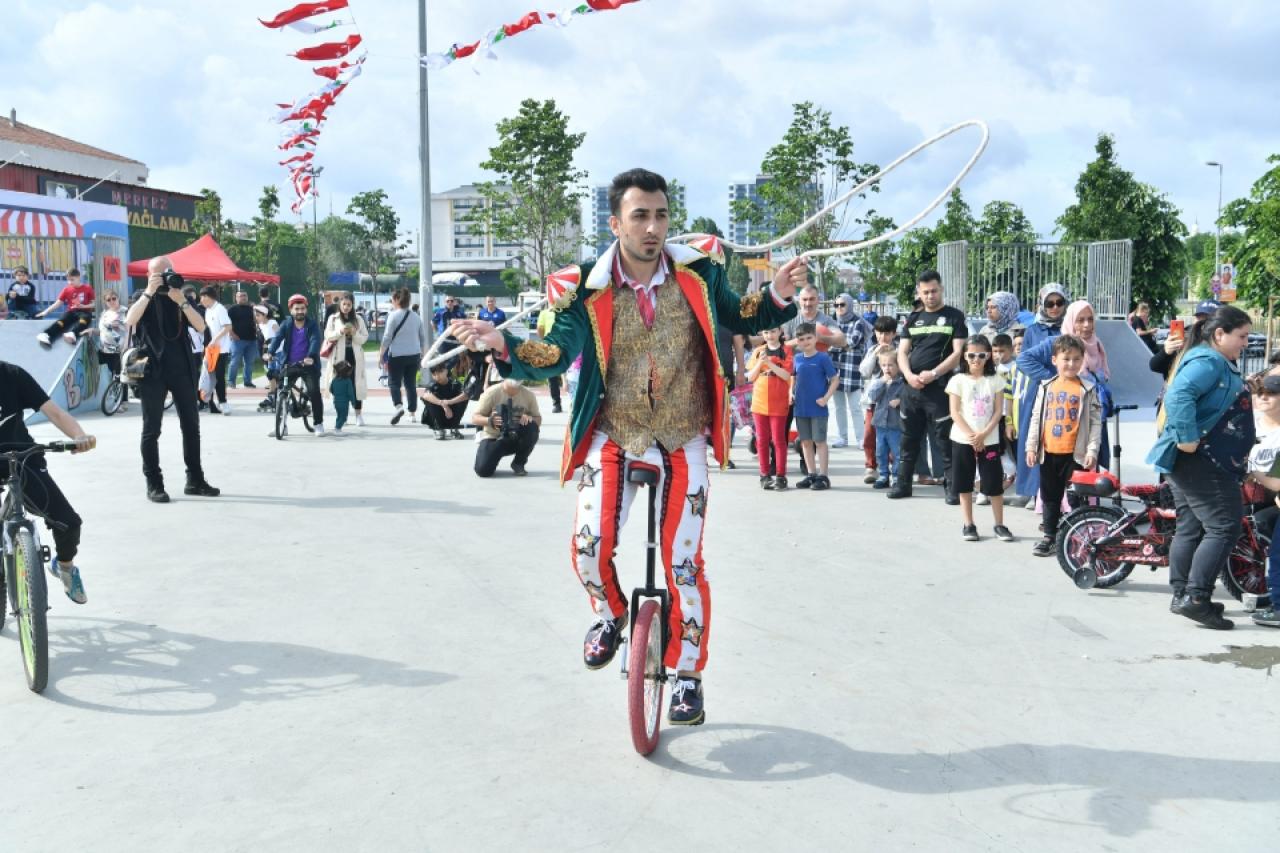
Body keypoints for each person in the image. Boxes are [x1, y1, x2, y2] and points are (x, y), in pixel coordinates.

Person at [448, 168, 800, 726]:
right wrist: (506, 346)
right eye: (640, 216)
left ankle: (688, 676)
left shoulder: (698, 271)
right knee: (588, 547)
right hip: (615, 433)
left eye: (661, 215)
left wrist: (777, 294)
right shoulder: (584, 288)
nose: (653, 227)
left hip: (684, 434)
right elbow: (555, 352)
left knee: (684, 563)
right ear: (615, 223)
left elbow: (740, 313)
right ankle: (611, 615)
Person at [1147, 305, 1254, 630]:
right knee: (1225, 526)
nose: (1246, 343)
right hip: (1201, 460)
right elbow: (1179, 396)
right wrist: (1187, 438)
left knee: (1191, 526)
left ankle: (1183, 595)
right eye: (1242, 336)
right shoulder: (1209, 361)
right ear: (1220, 334)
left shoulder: (1212, 359)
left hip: (1195, 461)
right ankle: (1196, 599)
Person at [0, 360, 96, 603]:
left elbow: (55, 412)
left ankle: (65, 567)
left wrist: (79, 436)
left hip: (21, 457)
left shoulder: (12, 374)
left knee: (68, 522)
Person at [125, 257, 219, 503]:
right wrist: (149, 292)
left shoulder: (179, 296)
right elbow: (130, 321)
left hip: (181, 368)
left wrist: (182, 302)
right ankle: (154, 483)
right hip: (150, 369)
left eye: (168, 272)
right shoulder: (141, 295)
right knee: (151, 429)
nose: (165, 278)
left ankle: (195, 479)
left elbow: (201, 327)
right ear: (149, 275)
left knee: (191, 425)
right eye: (158, 274)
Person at [888, 270, 967, 502]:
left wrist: (934, 374)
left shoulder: (954, 316)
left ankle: (952, 488)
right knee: (908, 439)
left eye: (934, 291)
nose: (930, 296)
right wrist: (908, 375)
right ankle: (903, 484)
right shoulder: (913, 318)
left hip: (940, 389)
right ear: (919, 293)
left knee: (944, 440)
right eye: (925, 292)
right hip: (912, 389)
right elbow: (902, 352)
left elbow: (957, 353)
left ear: (941, 289)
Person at [1025, 335, 1102, 557]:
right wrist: (1031, 446)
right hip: (1049, 452)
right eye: (1066, 359)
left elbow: (1095, 422)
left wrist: (1092, 450)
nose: (1071, 364)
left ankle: (1081, 538)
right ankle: (1049, 536)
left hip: (1076, 455)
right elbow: (1036, 417)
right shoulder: (1046, 386)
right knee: (1050, 497)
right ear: (1054, 360)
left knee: (1076, 498)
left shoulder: (1088, 388)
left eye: (1077, 359)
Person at [946, 336, 1014, 542]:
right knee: (964, 482)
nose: (976, 359)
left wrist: (983, 434)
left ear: (989, 356)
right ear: (964, 356)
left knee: (994, 483)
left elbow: (998, 411)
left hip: (989, 439)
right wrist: (972, 436)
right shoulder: (957, 380)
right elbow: (954, 412)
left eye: (982, 355)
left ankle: (999, 524)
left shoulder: (996, 380)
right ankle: (968, 524)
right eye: (971, 355)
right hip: (962, 439)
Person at [1012, 283, 1069, 504]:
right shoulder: (1033, 330)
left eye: (1059, 302)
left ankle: (1064, 492)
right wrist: (1049, 377)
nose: (1054, 308)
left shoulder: (1070, 326)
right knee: (1035, 438)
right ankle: (1034, 490)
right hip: (1039, 390)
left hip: (1067, 391)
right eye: (1049, 303)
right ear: (1042, 304)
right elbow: (1024, 361)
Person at [1246, 371, 1280, 628]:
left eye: (1272, 393)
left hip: (1272, 493)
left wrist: (1251, 471)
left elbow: (1277, 482)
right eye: (1261, 393)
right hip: (1254, 497)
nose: (1265, 397)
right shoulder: (1249, 423)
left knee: (1277, 555)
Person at [266, 294, 327, 436]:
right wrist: (270, 352)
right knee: (281, 391)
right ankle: (281, 426)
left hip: (308, 365)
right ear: (291, 310)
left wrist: (310, 356)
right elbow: (277, 338)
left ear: (306, 309)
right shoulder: (286, 324)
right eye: (297, 309)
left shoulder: (312, 324)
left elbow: (315, 340)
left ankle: (318, 424)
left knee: (314, 393)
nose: (300, 311)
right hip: (290, 364)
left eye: (302, 308)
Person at [745, 326, 793, 490]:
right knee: (761, 440)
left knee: (779, 440)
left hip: (778, 401)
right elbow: (750, 377)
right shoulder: (758, 351)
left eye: (773, 331)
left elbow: (786, 375)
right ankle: (764, 475)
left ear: (780, 332)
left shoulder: (786, 350)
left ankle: (781, 475)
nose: (769, 335)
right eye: (766, 332)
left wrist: (769, 364)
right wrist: (760, 363)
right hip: (759, 401)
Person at [792, 322, 838, 490]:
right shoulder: (797, 358)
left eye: (809, 338)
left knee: (820, 442)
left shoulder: (823, 358)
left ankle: (823, 476)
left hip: (818, 408)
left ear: (816, 338)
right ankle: (811, 474)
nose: (806, 342)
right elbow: (793, 377)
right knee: (805, 442)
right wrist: (791, 393)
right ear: (797, 341)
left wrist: (826, 398)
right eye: (802, 339)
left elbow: (835, 380)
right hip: (801, 407)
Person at [828, 292, 872, 450]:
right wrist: (837, 344)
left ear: (850, 305)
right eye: (836, 305)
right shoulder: (832, 322)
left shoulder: (858, 322)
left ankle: (861, 438)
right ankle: (842, 437)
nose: (839, 307)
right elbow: (827, 343)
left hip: (852, 370)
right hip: (835, 370)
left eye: (842, 304)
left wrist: (834, 344)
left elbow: (851, 342)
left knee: (855, 408)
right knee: (839, 407)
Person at [471, 378, 541, 477]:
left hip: (515, 438)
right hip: (494, 438)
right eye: (512, 373)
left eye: (519, 374)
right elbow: (475, 418)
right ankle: (492, 455)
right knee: (482, 470)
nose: (516, 377)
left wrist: (529, 418)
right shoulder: (492, 392)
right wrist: (490, 420)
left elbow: (538, 419)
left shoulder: (529, 395)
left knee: (532, 427)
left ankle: (519, 462)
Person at [858, 315, 899, 484]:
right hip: (874, 400)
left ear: (894, 334)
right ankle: (871, 466)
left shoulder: (899, 350)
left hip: (894, 400)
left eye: (887, 333)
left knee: (894, 437)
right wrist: (874, 355)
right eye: (880, 333)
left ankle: (894, 470)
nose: (883, 337)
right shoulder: (872, 349)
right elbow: (864, 371)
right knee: (870, 433)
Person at [380, 287, 428, 426]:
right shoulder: (416, 317)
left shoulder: (393, 316)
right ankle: (412, 413)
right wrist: (423, 354)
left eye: (392, 300)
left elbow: (387, 337)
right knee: (410, 384)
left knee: (394, 383)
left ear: (396, 300)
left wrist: (381, 354)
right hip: (414, 355)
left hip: (397, 355)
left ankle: (398, 406)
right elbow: (422, 338)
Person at [321, 293, 369, 429]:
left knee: (356, 385)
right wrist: (340, 332)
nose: (346, 307)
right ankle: (343, 415)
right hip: (339, 357)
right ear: (340, 305)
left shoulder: (358, 319)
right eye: (344, 304)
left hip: (354, 356)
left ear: (352, 305)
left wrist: (354, 333)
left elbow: (364, 338)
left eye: (349, 304)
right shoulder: (333, 318)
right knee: (340, 387)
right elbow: (327, 336)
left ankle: (358, 414)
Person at [864, 351, 904, 490]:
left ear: (898, 366)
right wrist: (881, 382)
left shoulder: (902, 383)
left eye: (891, 365)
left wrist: (900, 401)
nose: (887, 368)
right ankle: (883, 475)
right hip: (880, 424)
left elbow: (910, 398)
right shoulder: (879, 382)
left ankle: (897, 476)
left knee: (897, 452)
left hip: (895, 424)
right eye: (884, 365)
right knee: (881, 452)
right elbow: (872, 396)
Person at [35, 268, 94, 347]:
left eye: (72, 280)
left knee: (85, 319)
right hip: (72, 312)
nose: (70, 282)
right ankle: (46, 334)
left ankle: (73, 333)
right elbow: (58, 303)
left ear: (78, 277)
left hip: (85, 311)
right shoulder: (67, 289)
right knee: (61, 321)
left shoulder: (87, 288)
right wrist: (46, 312)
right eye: (68, 280)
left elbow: (94, 304)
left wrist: (84, 306)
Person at [198, 286, 232, 414]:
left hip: (221, 350)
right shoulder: (208, 310)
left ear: (208, 297)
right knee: (209, 375)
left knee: (218, 376)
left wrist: (214, 340)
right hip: (211, 349)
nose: (201, 300)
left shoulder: (220, 309)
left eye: (203, 297)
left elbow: (228, 327)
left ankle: (223, 402)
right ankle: (210, 402)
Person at [97, 289, 130, 411]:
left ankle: (123, 402)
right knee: (112, 374)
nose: (111, 301)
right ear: (105, 302)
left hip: (120, 348)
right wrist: (92, 331)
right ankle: (116, 398)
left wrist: (126, 344)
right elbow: (103, 330)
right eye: (108, 300)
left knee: (120, 375)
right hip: (106, 349)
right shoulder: (105, 314)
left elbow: (131, 329)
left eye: (114, 298)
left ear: (118, 298)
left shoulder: (125, 311)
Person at [420, 363, 468, 439]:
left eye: (440, 372)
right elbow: (425, 395)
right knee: (430, 399)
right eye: (434, 374)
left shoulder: (454, 383)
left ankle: (454, 427)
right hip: (436, 417)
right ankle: (439, 429)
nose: (437, 376)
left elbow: (466, 395)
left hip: (452, 416)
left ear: (446, 371)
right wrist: (442, 403)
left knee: (462, 399)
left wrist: (450, 402)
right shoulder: (432, 385)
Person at [226, 289, 259, 389]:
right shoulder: (232, 309)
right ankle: (231, 381)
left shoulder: (252, 309)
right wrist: (231, 334)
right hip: (237, 340)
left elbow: (257, 321)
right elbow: (226, 323)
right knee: (235, 362)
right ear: (236, 298)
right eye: (241, 296)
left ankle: (247, 382)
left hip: (252, 340)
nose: (243, 297)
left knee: (249, 363)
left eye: (245, 295)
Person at [536, 306, 564, 413]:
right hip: (551, 346)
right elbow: (540, 329)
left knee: (561, 375)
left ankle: (560, 403)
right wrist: (546, 341)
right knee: (552, 375)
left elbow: (540, 330)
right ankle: (557, 403)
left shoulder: (564, 310)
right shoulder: (544, 313)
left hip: (562, 345)